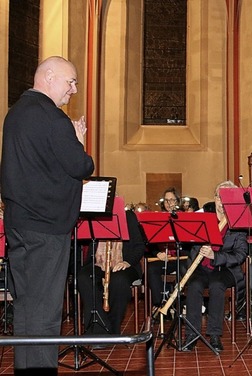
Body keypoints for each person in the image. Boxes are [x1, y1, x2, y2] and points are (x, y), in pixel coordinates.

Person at [1, 56, 95, 374]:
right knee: (44, 315)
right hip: (46, 228)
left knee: (26, 309)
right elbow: (80, 166)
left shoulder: (14, 114)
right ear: (49, 77)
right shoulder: (52, 118)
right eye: (70, 82)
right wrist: (79, 141)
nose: (74, 90)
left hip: (19, 225)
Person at [184, 181, 248, 353]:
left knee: (217, 285)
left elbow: (240, 255)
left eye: (226, 198)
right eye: (219, 197)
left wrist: (216, 256)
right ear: (214, 198)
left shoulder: (239, 223)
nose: (221, 202)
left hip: (225, 269)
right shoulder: (204, 218)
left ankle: (214, 335)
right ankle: (191, 334)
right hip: (202, 268)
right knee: (195, 285)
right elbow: (192, 244)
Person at [77, 209, 145, 336]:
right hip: (99, 262)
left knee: (119, 280)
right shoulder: (95, 215)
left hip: (125, 263)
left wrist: (127, 262)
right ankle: (98, 328)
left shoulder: (128, 216)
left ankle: (113, 328)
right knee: (84, 277)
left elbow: (139, 246)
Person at [146, 187, 188, 311]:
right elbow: (149, 241)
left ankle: (178, 303)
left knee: (183, 268)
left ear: (177, 201)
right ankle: (160, 305)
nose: (169, 203)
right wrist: (157, 253)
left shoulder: (185, 217)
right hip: (164, 257)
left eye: (172, 200)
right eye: (166, 200)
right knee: (152, 269)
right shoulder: (158, 218)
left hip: (181, 257)